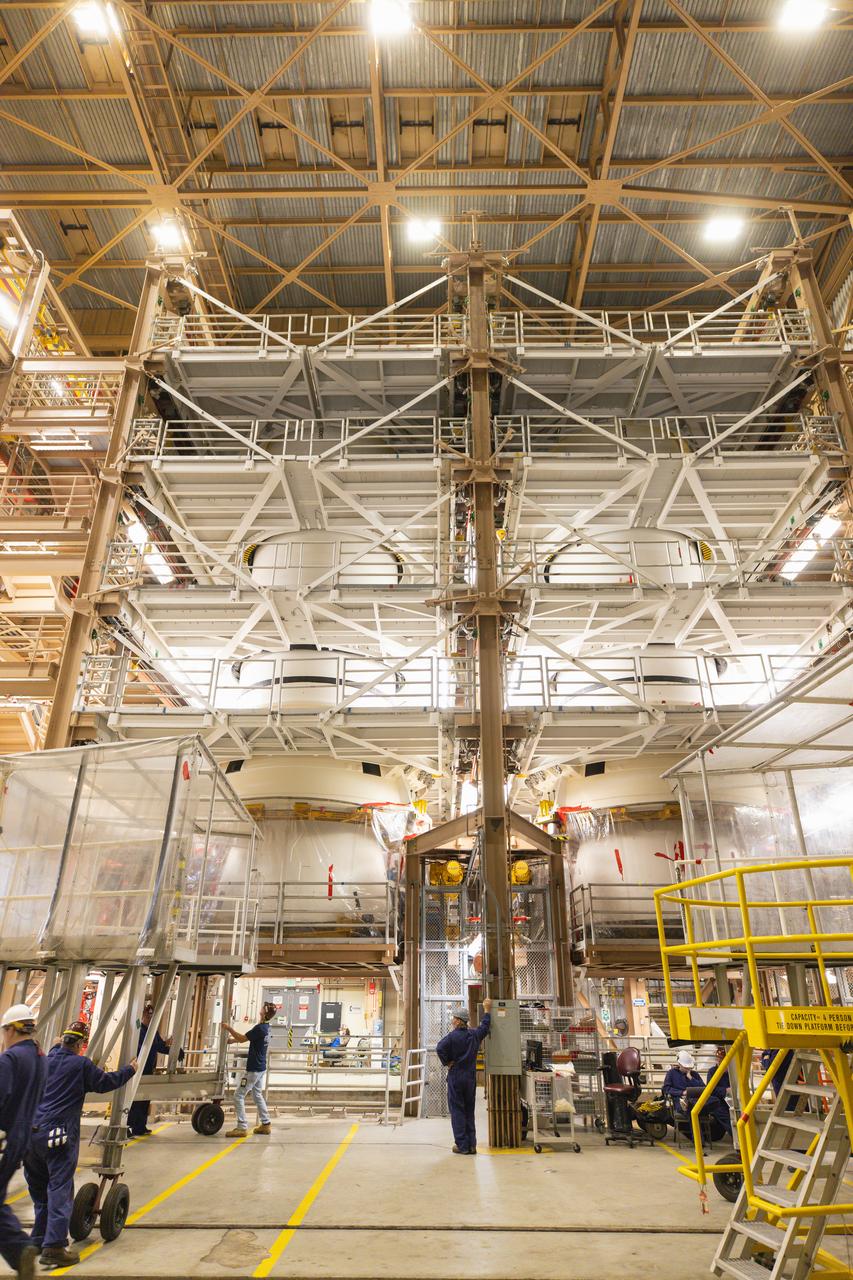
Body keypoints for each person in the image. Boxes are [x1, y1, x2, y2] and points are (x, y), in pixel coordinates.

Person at [24, 1022, 137, 1270]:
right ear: (79, 1045)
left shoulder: (42, 1062)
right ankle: (54, 1247)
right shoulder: (80, 1064)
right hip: (58, 1136)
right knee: (59, 1190)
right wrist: (130, 1069)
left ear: (61, 1040)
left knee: (40, 1192)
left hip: (31, 1135)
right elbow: (105, 1082)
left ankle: (37, 1240)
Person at [0, 1004, 46, 1280]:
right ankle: (20, 1251)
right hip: (21, 1140)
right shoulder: (41, 1057)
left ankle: (20, 1249)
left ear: (10, 1029)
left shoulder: (9, 1059)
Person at [435, 999, 491, 1155]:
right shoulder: (474, 1035)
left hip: (456, 1076)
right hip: (470, 1078)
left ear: (459, 1021)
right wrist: (487, 1010)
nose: (452, 1020)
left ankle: (462, 1145)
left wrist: (448, 1062)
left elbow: (440, 1048)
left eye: (454, 1018)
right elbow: (485, 1027)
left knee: (458, 1110)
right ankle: (472, 1144)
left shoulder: (452, 1037)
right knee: (469, 1110)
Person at [222, 1002, 276, 1137]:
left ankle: (242, 1127)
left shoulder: (260, 1028)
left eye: (262, 1008)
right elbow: (249, 1039)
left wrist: (228, 1028)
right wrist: (233, 1041)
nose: (260, 1008)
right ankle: (266, 1123)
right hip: (261, 1067)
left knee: (238, 1095)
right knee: (257, 1095)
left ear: (264, 1012)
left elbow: (242, 1038)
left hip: (254, 1069)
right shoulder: (266, 1028)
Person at [127, 1002, 171, 1138]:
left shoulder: (152, 1031)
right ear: (144, 1015)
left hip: (148, 1070)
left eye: (152, 1016)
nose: (150, 1018)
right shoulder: (138, 1029)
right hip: (138, 1070)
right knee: (134, 1100)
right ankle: (129, 1126)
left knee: (145, 1099)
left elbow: (160, 1046)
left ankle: (140, 1127)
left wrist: (171, 1048)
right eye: (148, 1015)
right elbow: (147, 1046)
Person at [704, 1046, 733, 1138]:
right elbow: (710, 1089)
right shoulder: (712, 1072)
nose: (719, 1061)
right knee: (726, 1116)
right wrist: (724, 1090)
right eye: (719, 1059)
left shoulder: (731, 1072)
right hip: (717, 1101)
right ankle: (738, 1138)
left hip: (730, 1099)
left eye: (721, 1059)